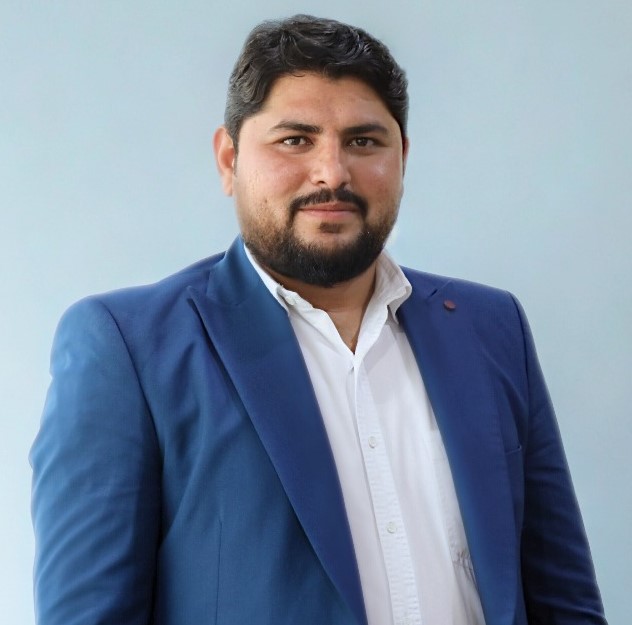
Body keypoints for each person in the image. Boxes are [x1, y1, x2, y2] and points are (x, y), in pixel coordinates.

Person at [30, 14, 607, 625]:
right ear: (228, 159)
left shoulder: (490, 328)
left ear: (403, 157)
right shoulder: (129, 349)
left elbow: (564, 601)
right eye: (295, 140)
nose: (332, 172)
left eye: (364, 141)